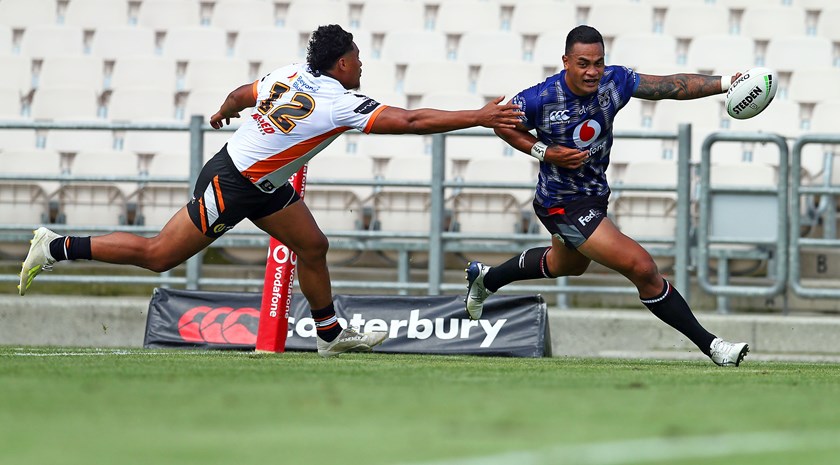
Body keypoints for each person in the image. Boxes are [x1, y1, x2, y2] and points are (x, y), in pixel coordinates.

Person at [18, 24, 523, 357]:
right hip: (232, 184)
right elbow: (410, 121)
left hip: (262, 183)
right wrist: (479, 116)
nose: (361, 65)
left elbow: (243, 93)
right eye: (357, 59)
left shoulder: (290, 73)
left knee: (313, 245)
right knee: (159, 256)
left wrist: (224, 111)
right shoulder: (337, 102)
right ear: (341, 65)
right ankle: (56, 246)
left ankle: (329, 335)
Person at [464, 25, 750, 367]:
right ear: (566, 61)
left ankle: (488, 278)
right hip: (562, 204)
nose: (592, 72)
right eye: (583, 63)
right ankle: (715, 347)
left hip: (595, 196)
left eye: (598, 63)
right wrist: (546, 151)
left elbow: (670, 86)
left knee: (565, 265)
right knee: (642, 267)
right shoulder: (540, 98)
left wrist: (725, 83)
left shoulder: (614, 81)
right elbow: (502, 124)